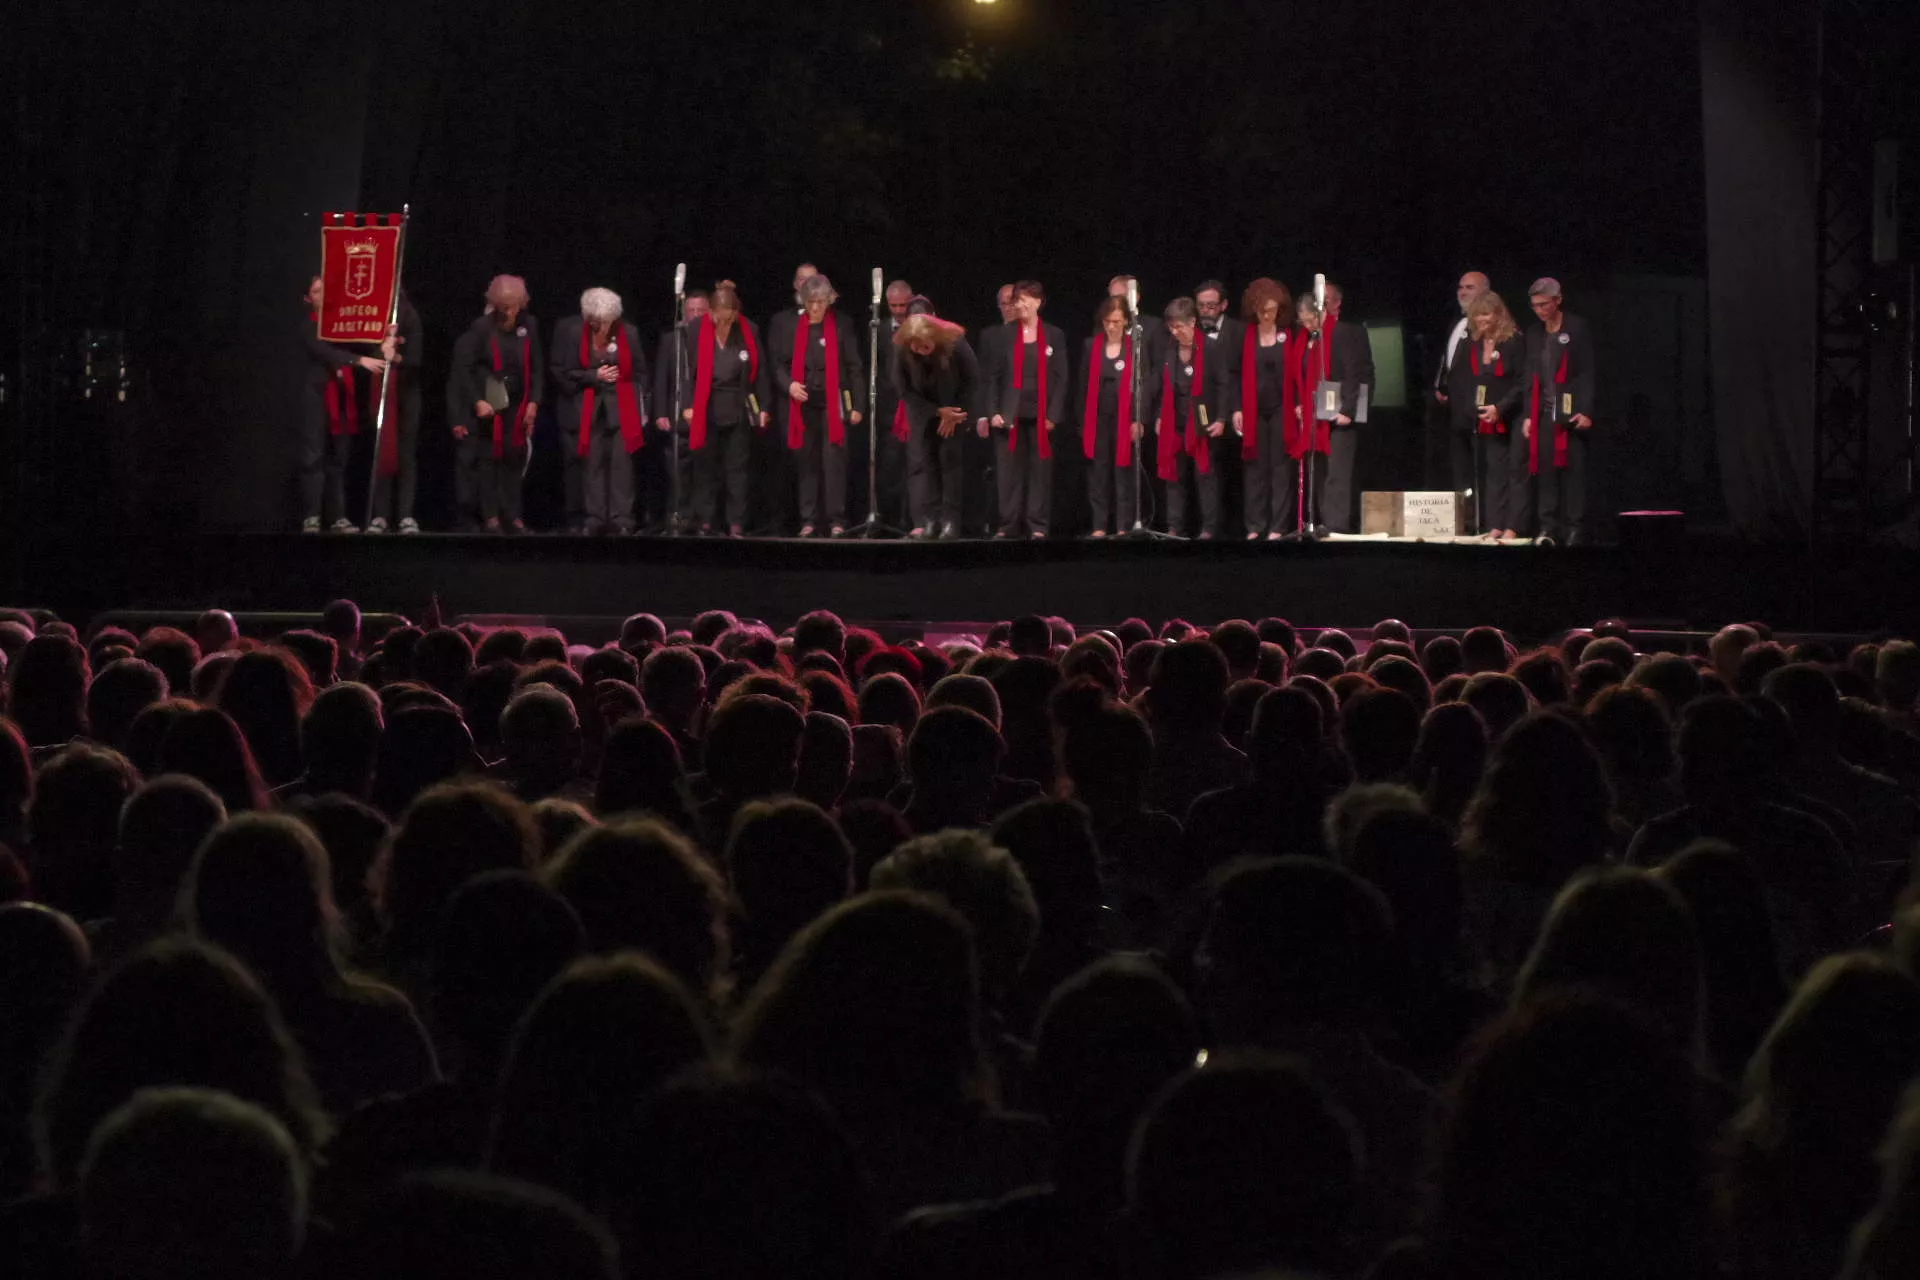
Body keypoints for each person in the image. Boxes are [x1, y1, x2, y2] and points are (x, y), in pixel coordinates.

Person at [665, 283, 769, 538]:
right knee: (705, 469)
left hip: (737, 407)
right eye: (720, 317)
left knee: (737, 471)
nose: (725, 322)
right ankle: (706, 521)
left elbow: (761, 372)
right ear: (711, 313)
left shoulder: (748, 330)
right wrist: (688, 405)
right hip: (706, 407)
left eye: (730, 317)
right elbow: (686, 372)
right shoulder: (695, 330)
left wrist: (763, 407)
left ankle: (736, 523)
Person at [773, 274, 867, 537]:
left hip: (833, 405)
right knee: (807, 463)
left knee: (834, 463)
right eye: (811, 302)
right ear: (804, 301)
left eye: (821, 302)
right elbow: (778, 363)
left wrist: (858, 404)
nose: (816, 307)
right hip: (803, 406)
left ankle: (836, 519)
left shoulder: (841, 325)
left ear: (828, 301)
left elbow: (854, 367)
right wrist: (790, 385)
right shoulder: (793, 326)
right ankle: (808, 519)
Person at [551, 288, 650, 536]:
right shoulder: (576, 334)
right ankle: (594, 517)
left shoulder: (629, 332)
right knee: (592, 464)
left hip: (622, 407)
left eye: (604, 320)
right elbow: (566, 372)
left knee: (621, 465)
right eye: (595, 320)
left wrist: (643, 407)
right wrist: (593, 376)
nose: (599, 325)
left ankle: (622, 518)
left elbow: (641, 372)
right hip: (588, 407)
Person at [449, 275, 544, 534]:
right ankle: (490, 516)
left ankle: (513, 515)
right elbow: (464, 371)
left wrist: (534, 402)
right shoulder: (481, 328)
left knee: (515, 459)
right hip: (491, 402)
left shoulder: (530, 326)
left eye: (512, 307)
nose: (508, 312)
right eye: (503, 307)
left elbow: (536, 368)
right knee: (490, 459)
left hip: (519, 402)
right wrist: (477, 400)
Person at [300, 276, 387, 533]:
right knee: (313, 456)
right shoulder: (308, 325)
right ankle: (312, 515)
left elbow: (364, 338)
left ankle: (338, 516)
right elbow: (324, 352)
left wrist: (386, 339)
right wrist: (358, 360)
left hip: (343, 394)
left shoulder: (343, 326)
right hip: (317, 394)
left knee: (339, 458)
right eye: (317, 291)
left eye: (326, 289)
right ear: (308, 299)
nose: (323, 294)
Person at [985, 280, 1068, 539]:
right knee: (1009, 473)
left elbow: (1062, 377)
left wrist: (1053, 414)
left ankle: (1038, 525)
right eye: (1015, 300)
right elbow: (993, 378)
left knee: (1040, 473)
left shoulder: (1054, 334)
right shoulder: (1005, 334)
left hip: (1042, 415)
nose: (1017, 305)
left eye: (1022, 300)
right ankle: (1008, 524)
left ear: (1037, 302)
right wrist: (993, 411)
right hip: (1011, 414)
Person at [1520, 277, 1597, 544]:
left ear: (1558, 300)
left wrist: (1587, 410)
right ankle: (1547, 528)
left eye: (1544, 304)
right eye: (1535, 306)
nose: (1540, 310)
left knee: (1574, 473)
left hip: (1571, 411)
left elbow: (1587, 372)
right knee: (1546, 475)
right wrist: (1529, 416)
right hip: (1544, 413)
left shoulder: (1577, 327)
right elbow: (1530, 377)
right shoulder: (1533, 333)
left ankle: (1575, 527)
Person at [1148, 297, 1230, 540]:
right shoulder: (1169, 349)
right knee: (1175, 476)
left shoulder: (1212, 348)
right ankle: (1175, 526)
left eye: (1180, 327)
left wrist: (1222, 418)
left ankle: (1209, 528)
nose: (1176, 332)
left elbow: (1224, 385)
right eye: (1172, 327)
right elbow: (1164, 386)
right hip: (1176, 422)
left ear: (1193, 321)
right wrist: (1161, 416)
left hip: (1203, 422)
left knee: (1205, 477)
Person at [1294, 282, 1373, 533]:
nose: (1307, 326)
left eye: (1309, 320)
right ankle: (1322, 523)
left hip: (1340, 414)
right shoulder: (1309, 339)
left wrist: (1348, 410)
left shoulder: (1342, 332)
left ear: (1320, 313)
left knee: (1338, 474)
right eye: (1303, 322)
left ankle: (1337, 526)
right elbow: (1303, 376)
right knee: (1320, 472)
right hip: (1318, 414)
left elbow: (1354, 374)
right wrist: (1301, 404)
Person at [1449, 291, 1529, 539]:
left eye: (1486, 315)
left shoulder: (1514, 340)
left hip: (1514, 414)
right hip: (1488, 417)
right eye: (1478, 316)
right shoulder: (1474, 342)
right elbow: (1470, 379)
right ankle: (1496, 523)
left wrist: (1501, 408)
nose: (1482, 320)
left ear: (1498, 314)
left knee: (1516, 470)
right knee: (1494, 471)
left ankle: (1515, 526)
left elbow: (1522, 382)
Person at [893, 313, 978, 540]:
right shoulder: (903, 350)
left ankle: (951, 521)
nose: (921, 350)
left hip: (955, 412)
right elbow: (903, 389)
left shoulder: (954, 341)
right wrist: (936, 412)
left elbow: (972, 379)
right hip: (925, 413)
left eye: (925, 346)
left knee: (950, 465)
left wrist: (954, 414)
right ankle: (930, 520)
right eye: (916, 347)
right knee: (928, 465)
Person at [1230, 277, 1300, 539]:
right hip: (1254, 411)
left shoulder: (1288, 335)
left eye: (1272, 310)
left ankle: (1278, 527)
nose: (1268, 315)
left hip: (1282, 409)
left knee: (1280, 469)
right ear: (1254, 309)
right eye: (1263, 310)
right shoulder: (1245, 336)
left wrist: (1300, 404)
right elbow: (1235, 374)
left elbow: (1297, 375)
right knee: (1255, 469)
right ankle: (1255, 526)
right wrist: (1236, 408)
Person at [1076, 297, 1143, 537]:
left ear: (1126, 321)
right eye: (1107, 321)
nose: (1111, 326)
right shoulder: (1091, 346)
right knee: (1098, 474)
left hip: (1125, 418)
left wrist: (1139, 419)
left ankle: (1124, 525)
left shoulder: (1135, 347)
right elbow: (1082, 388)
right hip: (1098, 418)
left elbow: (1142, 386)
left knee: (1124, 472)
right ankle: (1099, 525)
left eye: (1116, 321)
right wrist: (1083, 423)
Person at [647, 288, 710, 534]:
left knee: (704, 472)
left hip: (706, 416)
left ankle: (702, 518)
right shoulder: (671, 338)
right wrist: (661, 412)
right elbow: (661, 377)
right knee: (677, 470)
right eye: (691, 310)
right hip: (677, 415)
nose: (694, 315)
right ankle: (679, 516)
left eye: (700, 311)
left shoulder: (714, 336)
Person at [365, 289, 425, 534]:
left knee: (405, 453)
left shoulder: (411, 317)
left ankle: (405, 515)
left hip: (407, 394)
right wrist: (381, 351)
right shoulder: (373, 319)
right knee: (383, 451)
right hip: (382, 393)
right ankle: (380, 515)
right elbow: (369, 356)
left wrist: (396, 356)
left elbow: (416, 360)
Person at [1433, 270, 1490, 491]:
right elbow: (1448, 359)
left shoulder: (1489, 325)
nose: (1463, 292)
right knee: (1460, 466)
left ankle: (1483, 517)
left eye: (1469, 287)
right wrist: (1441, 385)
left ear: (1485, 291)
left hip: (1479, 407)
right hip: (1456, 408)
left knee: (1481, 464)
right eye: (1461, 287)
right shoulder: (1457, 324)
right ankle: (1464, 516)